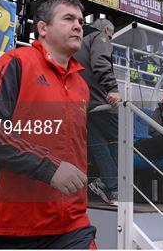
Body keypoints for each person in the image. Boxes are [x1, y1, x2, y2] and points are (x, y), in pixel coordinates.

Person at [0, 0, 97, 249]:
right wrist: (47, 167)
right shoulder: (16, 62)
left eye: (80, 20)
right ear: (43, 28)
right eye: (68, 19)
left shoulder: (81, 85)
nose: (78, 25)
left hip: (70, 224)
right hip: (7, 227)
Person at [73, 19, 120, 205]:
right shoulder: (99, 37)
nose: (111, 38)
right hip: (102, 102)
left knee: (99, 146)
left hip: (84, 105)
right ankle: (117, 187)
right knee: (121, 142)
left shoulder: (78, 43)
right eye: (112, 34)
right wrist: (112, 87)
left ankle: (111, 187)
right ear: (107, 30)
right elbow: (101, 62)